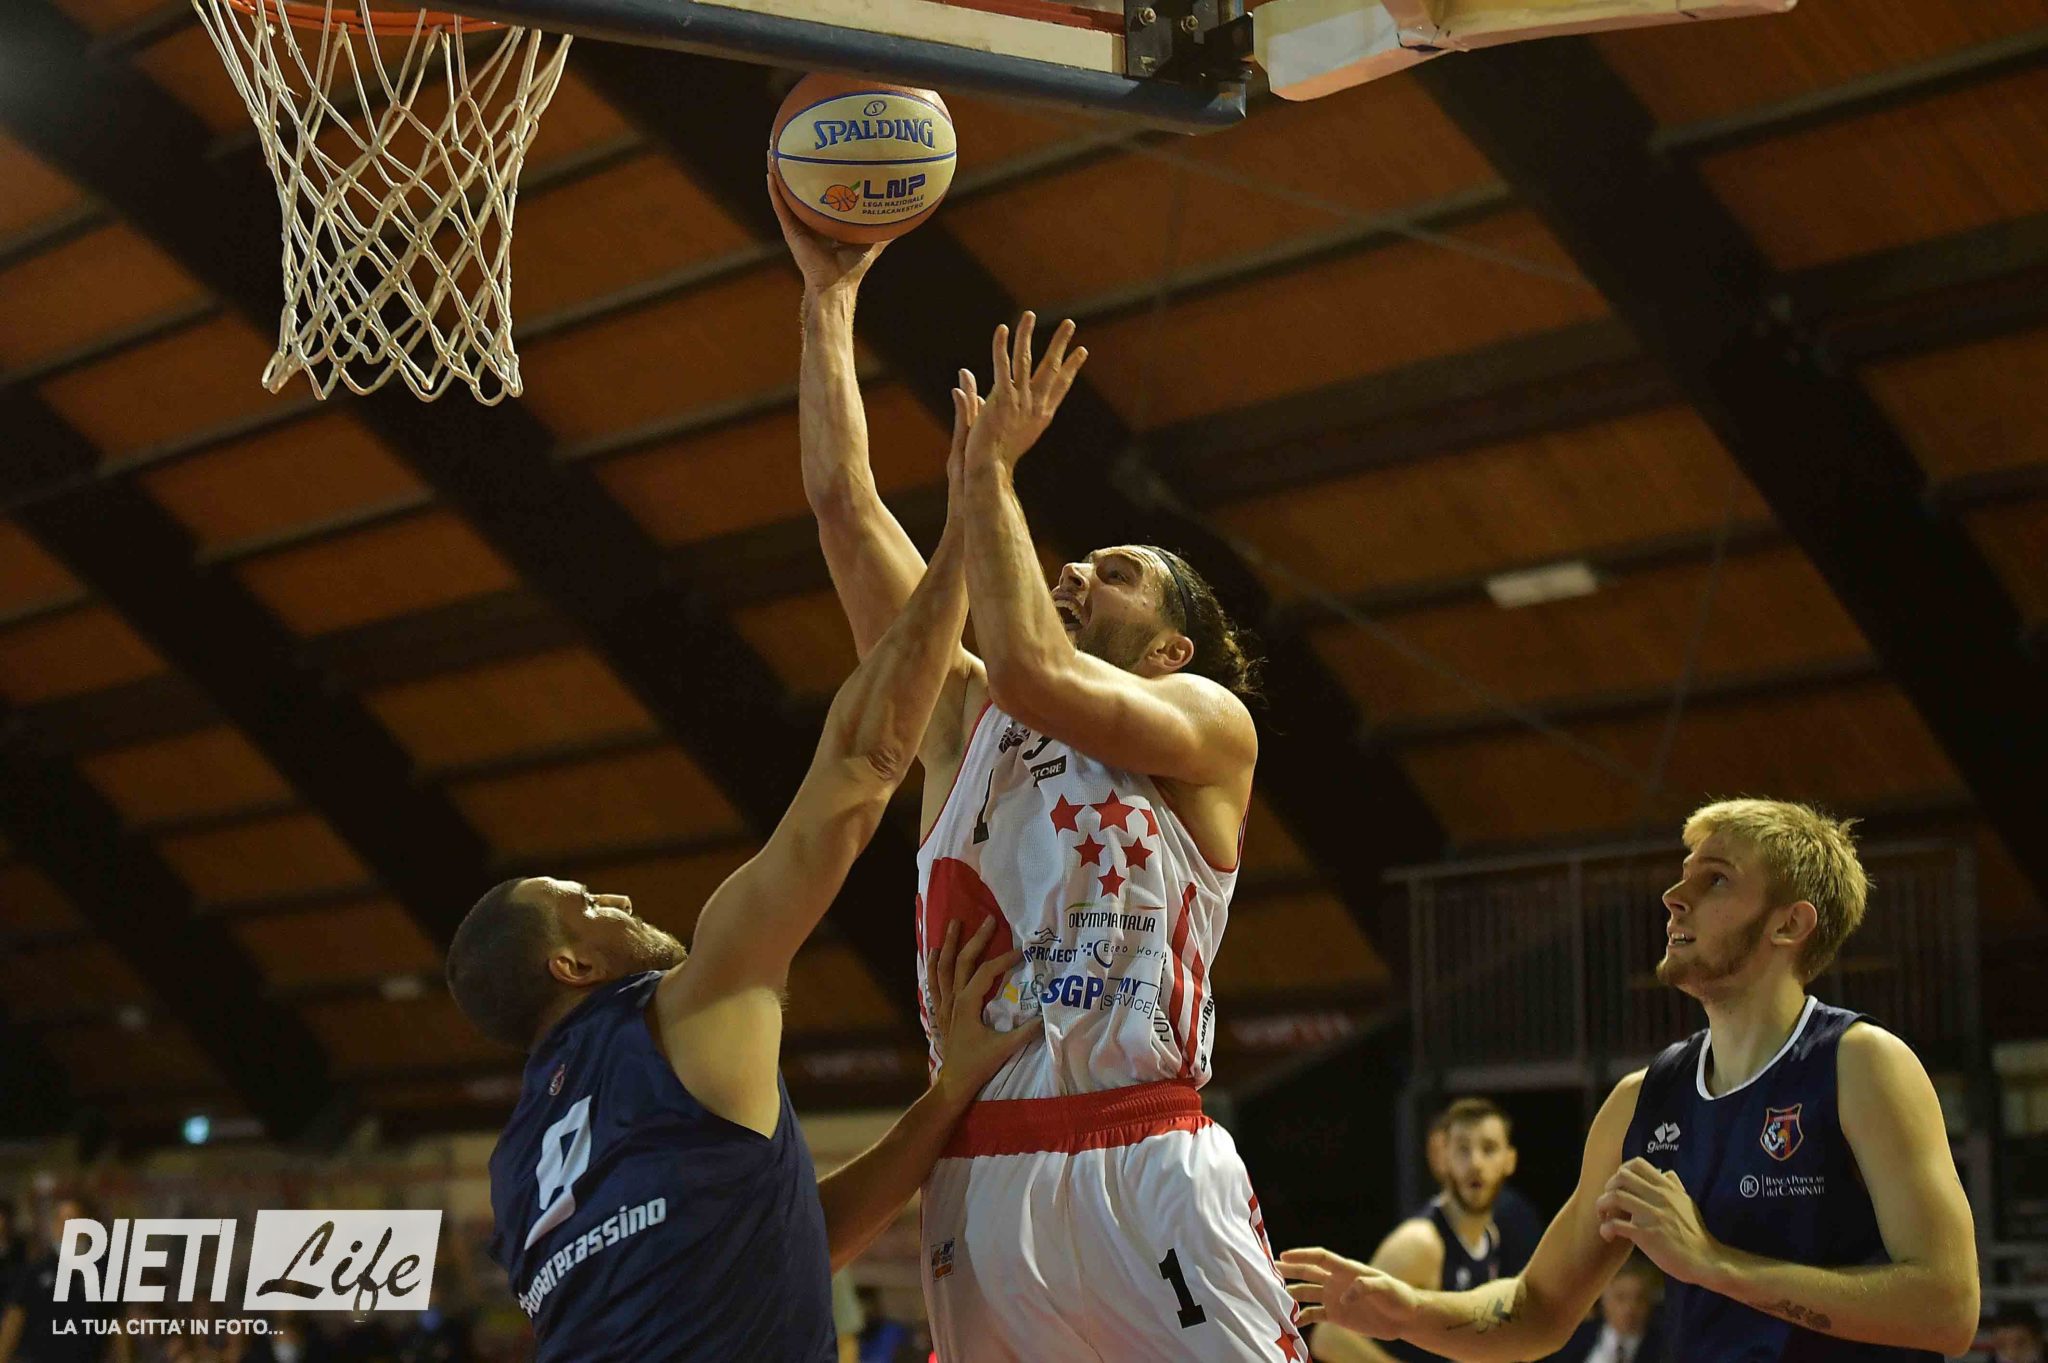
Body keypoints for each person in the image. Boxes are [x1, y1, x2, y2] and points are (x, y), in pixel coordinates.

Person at [774, 180, 1301, 1363]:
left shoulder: (1206, 724)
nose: (1074, 572)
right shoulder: (962, 717)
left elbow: (1032, 666)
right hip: (981, 1169)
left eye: (1114, 573)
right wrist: (827, 300)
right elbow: (842, 508)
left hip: (1142, 1152)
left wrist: (990, 476)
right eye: (1076, 562)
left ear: (1169, 648)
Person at [445, 400, 1041, 1363]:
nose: (617, 900)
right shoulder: (687, 1005)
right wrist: (972, 522)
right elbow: (862, 761)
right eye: (584, 904)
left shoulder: (517, 1169)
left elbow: (790, 1243)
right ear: (570, 964)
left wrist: (949, 1093)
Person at [1282, 798, 1982, 1360]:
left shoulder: (1862, 1063)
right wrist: (1409, 1312)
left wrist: (1716, 1265)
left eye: (1715, 880)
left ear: (1788, 924)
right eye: (1683, 875)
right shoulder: (1641, 1101)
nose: (1674, 896)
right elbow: (1536, 1309)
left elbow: (1949, 1309)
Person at [1312, 1098, 1520, 1363]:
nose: (1475, 1163)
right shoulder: (1420, 1243)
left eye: (1488, 1149)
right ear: (1442, 1156)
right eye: (1462, 1149)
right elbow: (1329, 1336)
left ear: (1509, 1160)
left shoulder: (1490, 1238)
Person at [0, 1195, 130, 1363]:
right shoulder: (34, 1273)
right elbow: (12, 1326)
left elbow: (118, 1328)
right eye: (61, 1221)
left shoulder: (105, 1275)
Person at [1554, 1256, 1666, 1363]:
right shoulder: (1574, 1337)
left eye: (1639, 1299)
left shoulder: (1665, 1347)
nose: (1629, 1308)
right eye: (1620, 1297)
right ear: (1603, 1297)